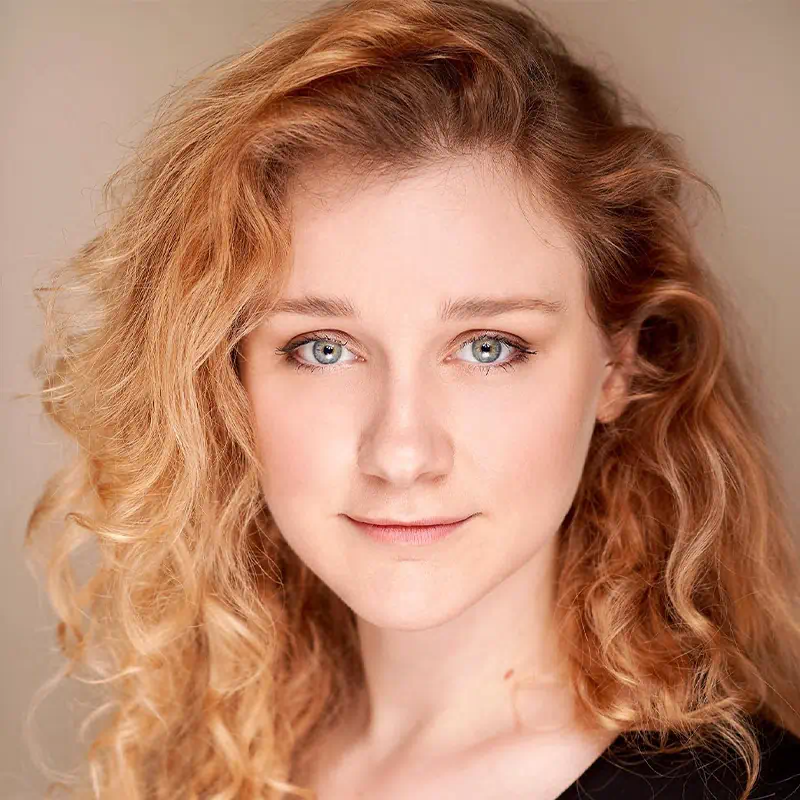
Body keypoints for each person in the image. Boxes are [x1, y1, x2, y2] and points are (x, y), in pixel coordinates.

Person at [23, 0, 800, 798]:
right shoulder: (209, 766)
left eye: (488, 347)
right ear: (228, 375)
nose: (400, 452)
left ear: (616, 367)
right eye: (323, 348)